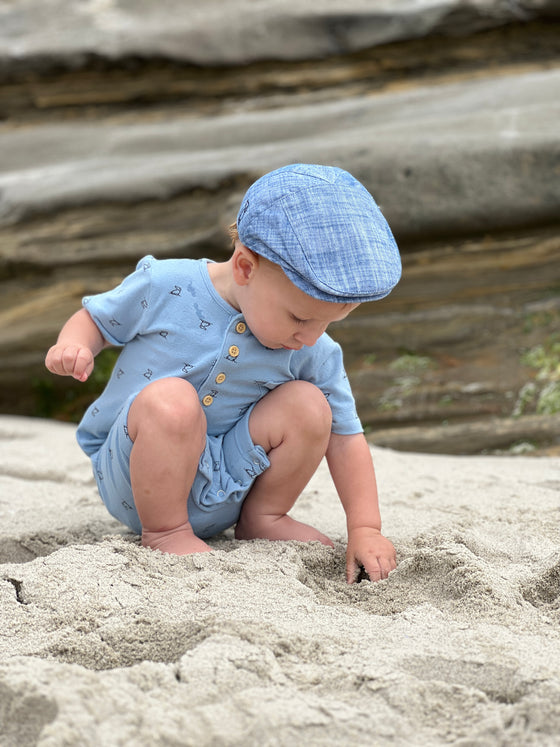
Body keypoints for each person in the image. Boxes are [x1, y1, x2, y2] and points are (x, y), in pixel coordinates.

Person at [45, 164, 402, 583]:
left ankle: (264, 517)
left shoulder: (312, 348)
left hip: (230, 486)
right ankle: (166, 532)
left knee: (311, 405)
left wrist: (365, 528)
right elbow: (98, 318)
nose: (309, 338)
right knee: (173, 401)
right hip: (136, 476)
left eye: (327, 323)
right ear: (245, 268)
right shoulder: (166, 284)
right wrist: (75, 346)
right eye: (300, 318)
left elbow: (346, 438)